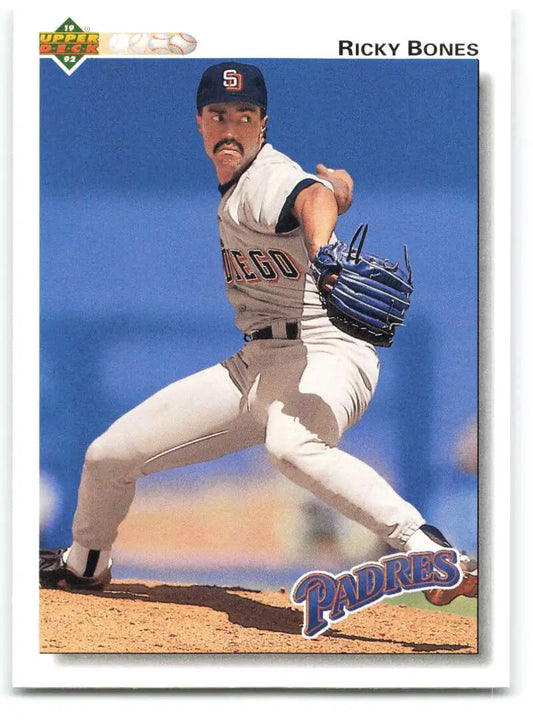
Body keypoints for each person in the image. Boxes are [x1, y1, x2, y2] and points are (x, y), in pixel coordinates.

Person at [40, 62, 477, 607]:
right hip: (259, 364)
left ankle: (426, 549)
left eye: (244, 116)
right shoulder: (250, 184)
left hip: (327, 352)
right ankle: (85, 564)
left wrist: (325, 247)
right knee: (109, 456)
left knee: (292, 445)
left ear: (262, 124)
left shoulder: (261, 180)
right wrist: (339, 190)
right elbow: (317, 193)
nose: (231, 127)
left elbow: (304, 198)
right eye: (218, 114)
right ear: (199, 121)